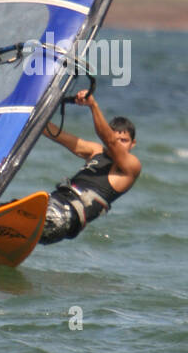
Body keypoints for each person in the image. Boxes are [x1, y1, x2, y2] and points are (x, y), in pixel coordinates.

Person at [39, 90, 141, 245]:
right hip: (50, 204)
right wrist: (32, 113)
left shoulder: (131, 167)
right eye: (116, 138)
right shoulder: (96, 151)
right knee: (3, 208)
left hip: (63, 219)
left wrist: (93, 105)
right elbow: (57, 135)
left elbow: (109, 140)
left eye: (124, 140)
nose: (119, 143)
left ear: (132, 144)